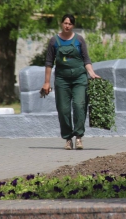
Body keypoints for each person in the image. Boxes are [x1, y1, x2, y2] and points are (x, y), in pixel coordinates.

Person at [41, 14, 100, 150]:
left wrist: (91, 73)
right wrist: (46, 82)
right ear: (61, 23)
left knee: (80, 105)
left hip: (79, 79)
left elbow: (86, 60)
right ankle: (68, 138)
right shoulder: (53, 41)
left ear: (73, 26)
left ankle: (78, 138)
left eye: (70, 24)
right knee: (63, 109)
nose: (67, 26)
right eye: (65, 23)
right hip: (62, 80)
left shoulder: (79, 40)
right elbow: (49, 63)